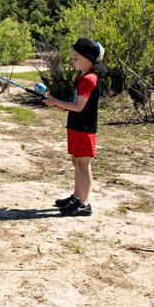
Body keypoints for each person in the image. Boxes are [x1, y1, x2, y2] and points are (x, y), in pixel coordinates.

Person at [44, 38, 106, 217]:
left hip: (85, 128)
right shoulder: (82, 78)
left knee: (83, 164)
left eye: (76, 58)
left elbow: (79, 107)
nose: (72, 61)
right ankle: (77, 197)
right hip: (76, 126)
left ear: (88, 58)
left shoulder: (89, 79)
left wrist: (55, 101)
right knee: (76, 161)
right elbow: (74, 104)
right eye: (71, 58)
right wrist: (58, 104)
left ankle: (84, 204)